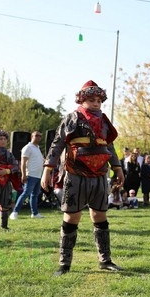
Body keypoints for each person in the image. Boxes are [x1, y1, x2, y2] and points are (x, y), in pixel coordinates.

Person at [41, 80, 125, 276]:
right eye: (91, 100)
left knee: (100, 215)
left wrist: (118, 167)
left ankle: (105, 260)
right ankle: (64, 264)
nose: (96, 104)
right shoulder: (71, 118)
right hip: (75, 174)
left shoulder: (104, 121)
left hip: (100, 175)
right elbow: (57, 144)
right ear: (82, 99)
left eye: (98, 100)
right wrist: (48, 169)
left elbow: (109, 146)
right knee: (72, 216)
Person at [10, 131, 45, 220]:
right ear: (32, 137)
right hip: (31, 174)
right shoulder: (27, 147)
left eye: (40, 136)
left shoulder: (37, 148)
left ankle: (35, 213)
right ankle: (15, 212)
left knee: (34, 195)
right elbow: (23, 163)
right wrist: (24, 175)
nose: (38, 137)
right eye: (36, 135)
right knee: (25, 193)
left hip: (38, 175)